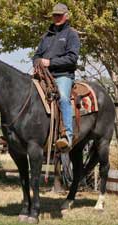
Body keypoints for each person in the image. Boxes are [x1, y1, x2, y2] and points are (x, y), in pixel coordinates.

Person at [33, 3, 80, 150]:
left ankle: (67, 135)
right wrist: (37, 63)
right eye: (55, 15)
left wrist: (50, 62)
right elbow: (37, 55)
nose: (57, 17)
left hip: (63, 75)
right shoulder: (46, 36)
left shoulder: (71, 34)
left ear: (66, 16)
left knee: (64, 98)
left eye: (59, 15)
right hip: (43, 76)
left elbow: (72, 58)